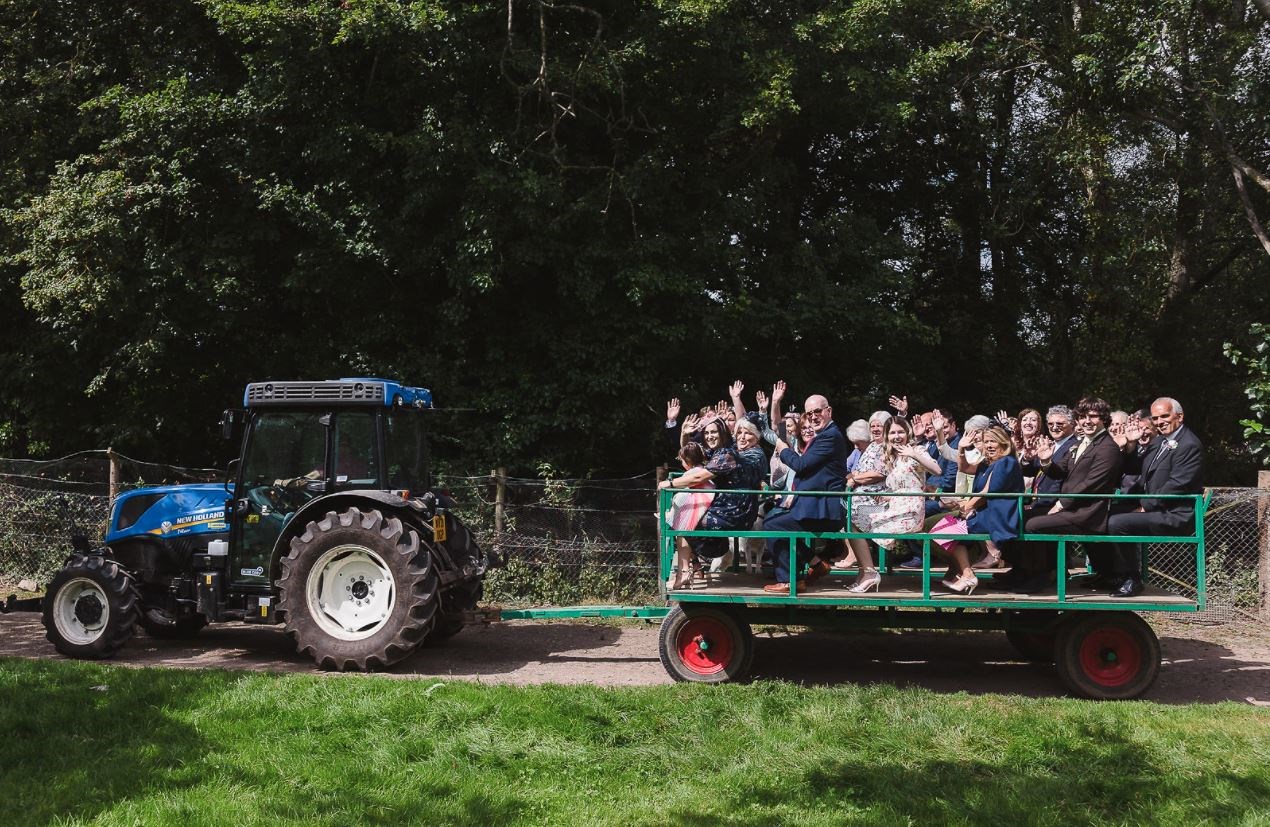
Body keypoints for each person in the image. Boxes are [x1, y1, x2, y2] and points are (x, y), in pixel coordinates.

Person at [1014, 397, 1123, 593]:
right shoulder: (1081, 443)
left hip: (1087, 513)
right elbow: (1060, 470)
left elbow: (1092, 484)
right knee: (1023, 517)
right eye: (1082, 417)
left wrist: (1061, 504)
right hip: (1073, 508)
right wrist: (1046, 460)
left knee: (1034, 525)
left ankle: (1044, 575)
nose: (1086, 421)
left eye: (1092, 416)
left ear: (1104, 419)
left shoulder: (1108, 448)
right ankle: (1026, 572)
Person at [1098, 397, 1204, 597]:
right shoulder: (1159, 442)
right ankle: (1109, 574)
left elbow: (1177, 485)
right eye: (1155, 418)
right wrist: (1130, 445)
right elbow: (1132, 468)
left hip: (1175, 513)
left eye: (1165, 416)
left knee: (1117, 523)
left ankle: (1132, 578)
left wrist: (1145, 506)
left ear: (1179, 417)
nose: (1159, 421)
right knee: (1099, 514)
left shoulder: (1189, 445)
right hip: (1158, 508)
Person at [658, 416, 762, 588]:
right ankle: (690, 568)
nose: (709, 436)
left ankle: (693, 566)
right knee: (682, 516)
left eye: (713, 432)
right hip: (725, 505)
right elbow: (691, 457)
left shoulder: (727, 454)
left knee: (685, 520)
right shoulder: (717, 452)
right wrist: (684, 434)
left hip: (736, 510)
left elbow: (699, 475)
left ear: (722, 433)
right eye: (706, 432)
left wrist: (669, 484)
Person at [844, 416, 942, 593]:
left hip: (910, 510)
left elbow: (937, 470)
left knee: (856, 522)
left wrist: (914, 454)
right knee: (853, 518)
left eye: (901, 432)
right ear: (887, 436)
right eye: (892, 433)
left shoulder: (917, 449)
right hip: (895, 506)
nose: (897, 436)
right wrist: (887, 496)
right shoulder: (893, 456)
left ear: (907, 433)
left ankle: (869, 573)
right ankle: (865, 572)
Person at [761, 394, 848, 594]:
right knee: (776, 522)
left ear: (829, 411)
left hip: (824, 508)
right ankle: (815, 563)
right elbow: (778, 429)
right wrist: (776, 404)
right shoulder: (823, 435)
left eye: (817, 411)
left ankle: (788, 580)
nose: (813, 417)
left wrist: (782, 450)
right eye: (809, 414)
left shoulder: (829, 436)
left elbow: (800, 465)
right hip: (812, 505)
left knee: (773, 526)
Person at [935, 426, 1024, 594]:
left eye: (993, 441)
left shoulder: (1006, 462)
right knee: (942, 532)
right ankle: (965, 573)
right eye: (986, 441)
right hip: (984, 513)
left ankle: (966, 574)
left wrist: (965, 508)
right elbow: (964, 468)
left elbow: (987, 492)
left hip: (998, 516)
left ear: (1003, 443)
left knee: (945, 532)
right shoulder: (988, 462)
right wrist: (961, 447)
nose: (989, 445)